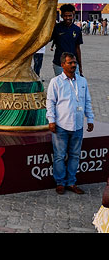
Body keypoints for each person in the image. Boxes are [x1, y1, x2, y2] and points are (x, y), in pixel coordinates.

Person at [47, 52, 95, 195]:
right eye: (70, 63)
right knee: (60, 156)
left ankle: (71, 182)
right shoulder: (55, 82)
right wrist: (51, 120)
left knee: (75, 155)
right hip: (61, 125)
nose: (74, 65)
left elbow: (87, 101)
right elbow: (50, 103)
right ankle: (60, 183)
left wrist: (90, 119)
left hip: (78, 125)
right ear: (62, 65)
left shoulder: (82, 81)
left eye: (75, 62)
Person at [51, 4, 83, 77]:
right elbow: (46, 39)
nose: (67, 18)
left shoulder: (77, 29)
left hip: (73, 63)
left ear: (73, 15)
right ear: (62, 16)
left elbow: (77, 48)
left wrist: (80, 66)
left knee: (75, 86)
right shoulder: (56, 28)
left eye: (70, 15)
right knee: (62, 86)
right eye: (65, 16)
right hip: (59, 64)